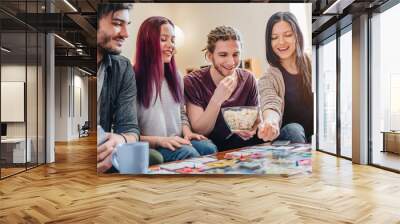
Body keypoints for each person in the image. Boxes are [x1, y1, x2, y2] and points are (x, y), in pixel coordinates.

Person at [134, 16, 217, 162]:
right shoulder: (133, 78)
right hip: (151, 145)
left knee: (209, 149)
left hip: (175, 140)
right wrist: (160, 140)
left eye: (172, 40)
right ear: (147, 42)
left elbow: (181, 113)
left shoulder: (176, 76)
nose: (171, 45)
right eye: (163, 39)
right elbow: (128, 130)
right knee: (189, 154)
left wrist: (188, 132)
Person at [97, 4, 163, 173]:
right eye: (118, 23)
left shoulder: (123, 67)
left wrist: (120, 139)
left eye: (127, 25)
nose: (126, 34)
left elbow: (130, 129)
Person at [184, 26, 264, 151]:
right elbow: (199, 130)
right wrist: (217, 98)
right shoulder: (192, 81)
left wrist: (253, 127)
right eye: (223, 55)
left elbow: (255, 119)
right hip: (211, 144)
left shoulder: (248, 79)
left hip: (241, 142)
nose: (231, 62)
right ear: (210, 56)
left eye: (236, 54)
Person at [257, 12, 313, 144]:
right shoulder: (268, 78)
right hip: (287, 138)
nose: (281, 42)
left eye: (288, 35)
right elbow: (270, 103)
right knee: (294, 129)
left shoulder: (313, 62)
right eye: (274, 37)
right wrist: (270, 122)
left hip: (314, 138)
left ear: (297, 36)